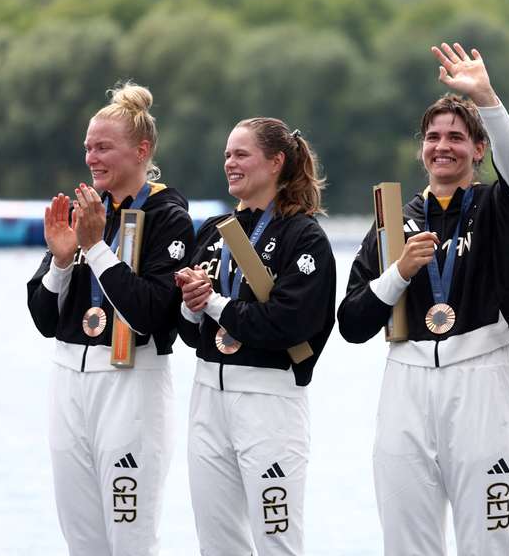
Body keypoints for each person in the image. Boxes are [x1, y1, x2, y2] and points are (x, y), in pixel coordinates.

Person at [337, 43, 509, 554]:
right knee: (406, 542)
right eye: (432, 137)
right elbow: (353, 323)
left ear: (478, 149)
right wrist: (399, 273)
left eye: (455, 137)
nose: (442, 146)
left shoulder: (498, 206)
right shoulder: (393, 220)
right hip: (405, 383)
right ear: (420, 149)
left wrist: (487, 97)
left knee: (488, 541)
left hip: (479, 378)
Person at [26, 82, 195, 555]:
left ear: (141, 151)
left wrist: (96, 247)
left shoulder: (169, 215)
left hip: (130, 381)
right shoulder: (86, 211)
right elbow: (42, 319)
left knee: (129, 536)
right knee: (82, 538)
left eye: (103, 147)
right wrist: (61, 262)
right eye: (87, 147)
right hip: (68, 381)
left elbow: (149, 313)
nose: (91, 158)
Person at [175, 117, 336, 556]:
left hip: (268, 403)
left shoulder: (303, 236)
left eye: (241, 154)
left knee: (276, 540)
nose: (230, 163)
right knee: (217, 543)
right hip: (207, 396)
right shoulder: (212, 230)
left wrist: (210, 303)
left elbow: (288, 323)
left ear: (275, 162)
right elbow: (192, 335)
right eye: (227, 154)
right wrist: (190, 307)